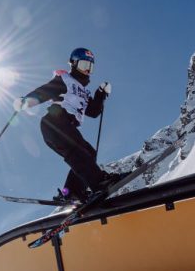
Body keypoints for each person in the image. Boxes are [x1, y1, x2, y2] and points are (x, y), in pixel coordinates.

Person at [15, 47, 125, 203]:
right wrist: (26, 101)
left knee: (89, 152)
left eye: (90, 67)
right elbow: (45, 91)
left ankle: (72, 191)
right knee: (77, 149)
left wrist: (100, 94)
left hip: (67, 126)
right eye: (84, 65)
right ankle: (99, 181)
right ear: (73, 64)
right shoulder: (65, 80)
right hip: (54, 122)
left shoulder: (84, 93)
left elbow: (93, 112)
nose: (87, 70)